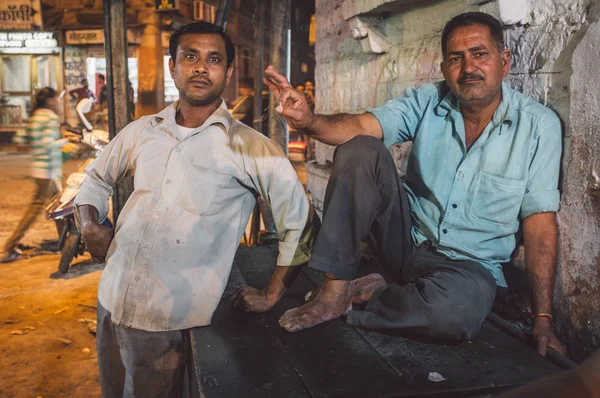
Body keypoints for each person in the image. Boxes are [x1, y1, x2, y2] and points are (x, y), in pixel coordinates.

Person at [234, 12, 567, 357]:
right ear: (444, 68)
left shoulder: (538, 128)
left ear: (505, 61)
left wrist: (543, 318)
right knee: (360, 148)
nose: (468, 67)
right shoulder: (428, 100)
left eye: (480, 54)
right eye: (456, 58)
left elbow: (540, 226)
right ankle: (334, 292)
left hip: (469, 269)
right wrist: (310, 120)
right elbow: (362, 124)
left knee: (454, 313)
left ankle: (373, 294)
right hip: (404, 240)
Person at [74, 21, 319, 397]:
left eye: (214, 59)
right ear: (173, 66)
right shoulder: (143, 130)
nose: (201, 67)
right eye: (190, 56)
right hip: (111, 298)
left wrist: (271, 295)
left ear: (229, 72)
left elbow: (299, 224)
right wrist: (90, 225)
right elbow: (94, 180)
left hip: (171, 320)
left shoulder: (250, 147)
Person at [1, 88, 79, 263]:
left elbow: (20, 139)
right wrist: (67, 140)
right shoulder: (50, 118)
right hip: (48, 171)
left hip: (39, 170)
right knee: (37, 209)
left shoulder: (34, 116)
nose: (58, 103)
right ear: (50, 100)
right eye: (56, 99)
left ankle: (64, 243)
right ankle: (9, 247)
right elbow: (48, 145)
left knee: (59, 205)